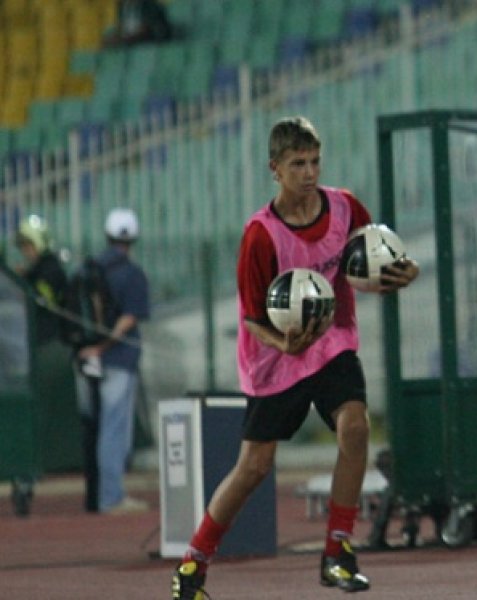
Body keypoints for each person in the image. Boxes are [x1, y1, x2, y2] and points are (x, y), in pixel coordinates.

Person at [171, 116, 420, 599]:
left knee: (355, 426)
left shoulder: (345, 207)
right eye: (297, 164)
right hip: (277, 359)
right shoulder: (261, 235)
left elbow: (375, 260)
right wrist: (283, 342)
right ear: (275, 170)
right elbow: (250, 317)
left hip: (332, 344)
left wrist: (400, 274)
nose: (308, 173)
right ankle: (192, 565)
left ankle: (338, 551)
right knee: (254, 468)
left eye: (314, 161)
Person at [74, 208, 151, 514]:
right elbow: (128, 319)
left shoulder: (87, 269)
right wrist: (104, 346)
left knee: (95, 426)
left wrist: (91, 348)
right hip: (116, 359)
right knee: (114, 428)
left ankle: (99, 494)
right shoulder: (132, 273)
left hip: (85, 357)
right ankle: (111, 496)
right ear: (133, 238)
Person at [14, 215, 68, 345]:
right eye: (22, 246)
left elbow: (40, 302)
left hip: (50, 341)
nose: (25, 251)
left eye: (28, 245)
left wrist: (22, 283)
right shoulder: (36, 270)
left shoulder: (50, 270)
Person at [103, 0, 172, 48]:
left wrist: (124, 39)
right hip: (129, 44)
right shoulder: (122, 6)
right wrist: (113, 38)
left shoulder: (149, 5)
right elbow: (121, 29)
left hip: (148, 46)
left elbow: (147, 31)